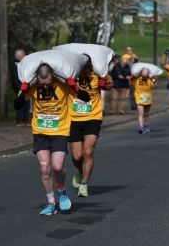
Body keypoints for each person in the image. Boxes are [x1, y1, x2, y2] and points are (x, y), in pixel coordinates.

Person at [14, 64, 91, 215]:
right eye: (42, 84)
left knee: (57, 167)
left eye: (49, 83)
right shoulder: (32, 86)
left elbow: (85, 98)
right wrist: (23, 91)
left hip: (60, 130)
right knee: (44, 168)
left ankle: (61, 190)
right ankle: (51, 203)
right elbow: (17, 105)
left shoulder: (62, 85)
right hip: (40, 131)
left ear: (53, 76)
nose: (46, 86)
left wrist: (74, 87)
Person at [69, 58, 108, 197]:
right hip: (74, 118)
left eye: (89, 67)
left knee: (88, 152)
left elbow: (110, 83)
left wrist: (105, 84)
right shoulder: (71, 75)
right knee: (77, 156)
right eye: (84, 67)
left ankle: (84, 183)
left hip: (93, 117)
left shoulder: (97, 76)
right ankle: (81, 172)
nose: (87, 70)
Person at [131, 67, 156, 134]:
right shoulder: (136, 79)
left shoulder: (149, 80)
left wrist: (154, 79)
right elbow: (131, 80)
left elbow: (154, 86)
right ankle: (141, 128)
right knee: (141, 113)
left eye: (146, 74)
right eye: (143, 74)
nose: (144, 76)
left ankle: (146, 125)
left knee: (146, 114)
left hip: (148, 99)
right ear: (141, 73)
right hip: (139, 99)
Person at [11, 48, 29, 126]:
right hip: (19, 87)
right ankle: (19, 120)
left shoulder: (26, 63)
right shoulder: (15, 65)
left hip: (27, 86)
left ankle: (25, 120)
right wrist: (19, 88)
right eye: (18, 55)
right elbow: (15, 78)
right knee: (20, 103)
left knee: (27, 102)